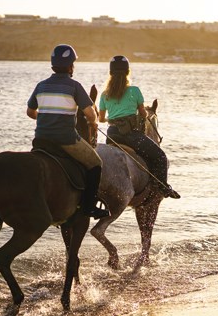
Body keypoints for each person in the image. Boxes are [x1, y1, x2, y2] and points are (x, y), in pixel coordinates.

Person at [27, 44, 110, 219]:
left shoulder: (41, 86)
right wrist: (94, 123)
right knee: (96, 164)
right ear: (71, 65)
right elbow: (90, 113)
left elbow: (30, 112)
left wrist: (46, 118)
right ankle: (89, 207)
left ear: (53, 64)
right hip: (66, 139)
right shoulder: (74, 86)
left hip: (41, 139)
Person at [98, 55, 180, 199]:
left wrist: (113, 118)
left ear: (111, 73)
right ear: (128, 72)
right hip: (131, 136)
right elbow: (143, 114)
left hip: (112, 135)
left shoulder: (105, 94)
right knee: (160, 156)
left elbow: (101, 119)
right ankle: (162, 188)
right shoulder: (134, 91)